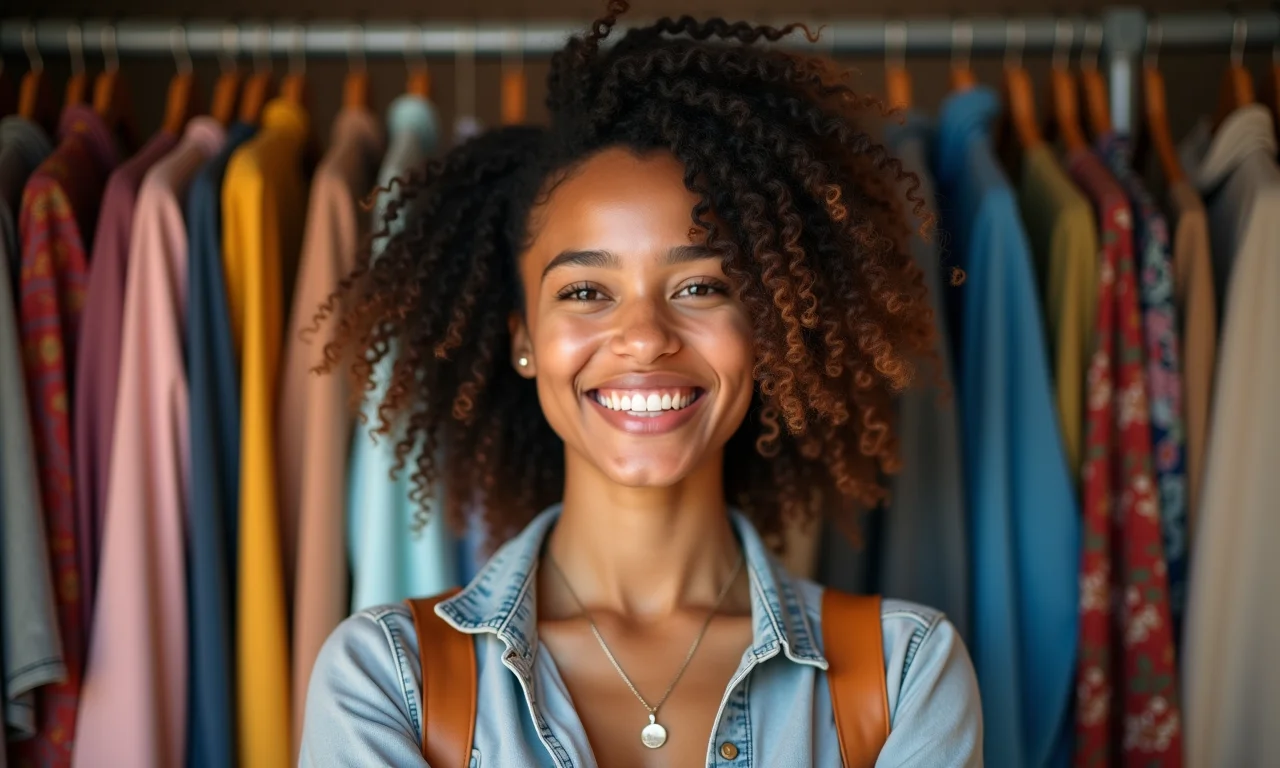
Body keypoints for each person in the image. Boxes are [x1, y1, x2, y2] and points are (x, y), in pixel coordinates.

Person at [299, 2, 982, 765]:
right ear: (524, 341)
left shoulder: (907, 673)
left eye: (699, 287)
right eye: (585, 292)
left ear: (768, 328)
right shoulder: (386, 680)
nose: (646, 338)